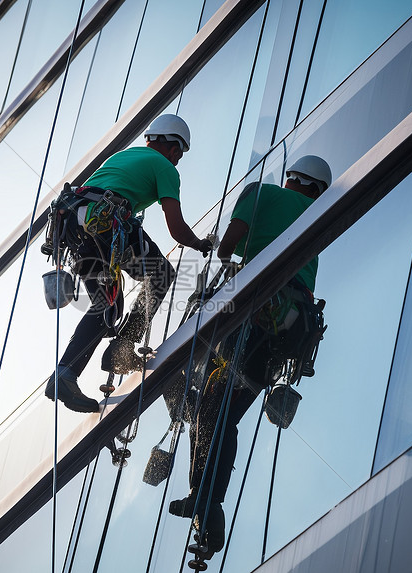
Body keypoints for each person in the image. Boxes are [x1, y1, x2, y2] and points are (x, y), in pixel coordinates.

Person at [168, 154, 332, 556]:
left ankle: (206, 499)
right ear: (318, 189)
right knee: (217, 411)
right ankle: (204, 500)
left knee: (208, 408)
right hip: (286, 334)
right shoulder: (319, 214)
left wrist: (221, 256)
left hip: (254, 314)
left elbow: (230, 243)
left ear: (293, 177)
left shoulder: (262, 193)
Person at [45, 114, 213, 413]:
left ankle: (64, 375)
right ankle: (121, 348)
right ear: (173, 148)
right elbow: (176, 226)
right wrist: (200, 244)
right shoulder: (164, 167)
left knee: (107, 308)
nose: (177, 161)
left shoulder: (124, 156)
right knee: (161, 273)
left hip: (76, 227)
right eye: (179, 155)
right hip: (107, 223)